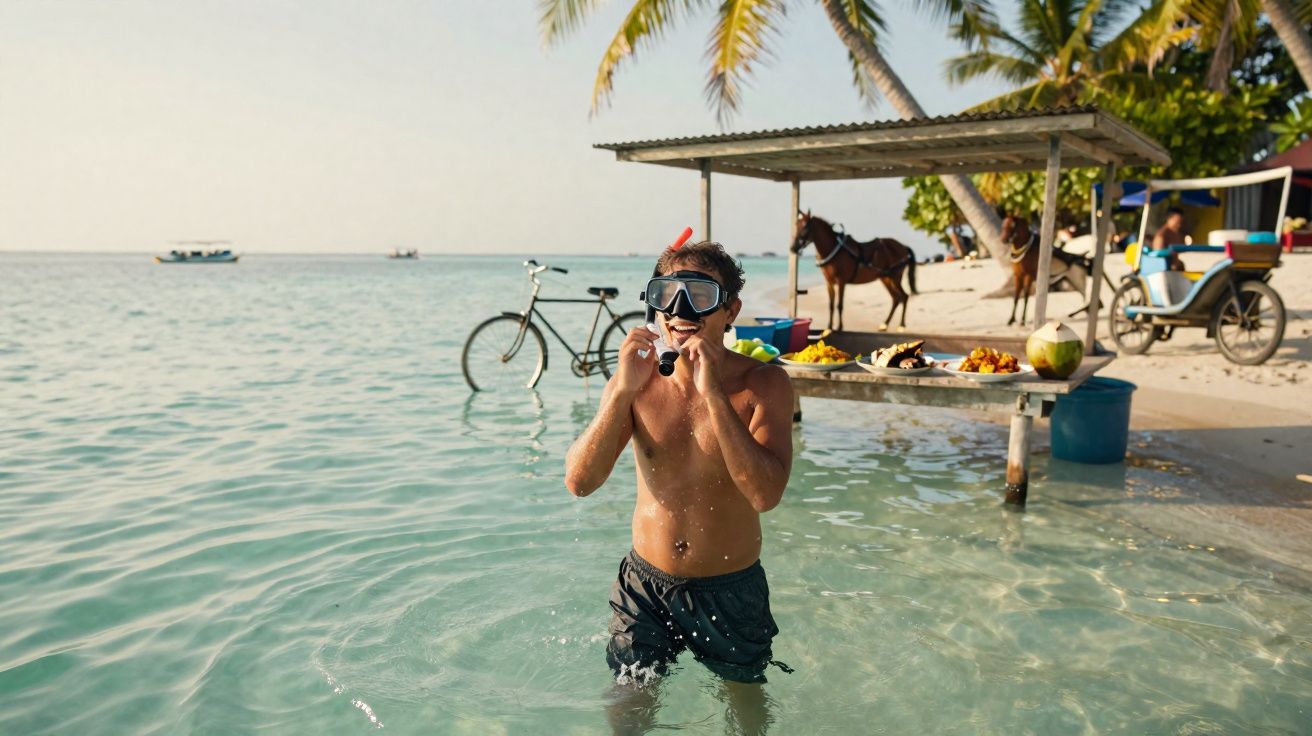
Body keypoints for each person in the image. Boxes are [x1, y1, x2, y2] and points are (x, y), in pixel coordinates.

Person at [564, 241, 794, 733]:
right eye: (668, 293)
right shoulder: (637, 380)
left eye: (700, 294)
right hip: (644, 586)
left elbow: (765, 495)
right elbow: (580, 482)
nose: (681, 310)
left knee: (745, 707)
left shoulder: (764, 384)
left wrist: (713, 393)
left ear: (730, 309)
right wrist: (622, 390)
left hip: (731, 588)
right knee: (627, 708)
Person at [1153, 207, 1188, 271]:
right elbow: (1159, 257)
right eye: (1177, 221)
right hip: (1164, 270)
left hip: (1175, 269)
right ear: (1169, 218)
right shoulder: (1162, 235)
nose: (1179, 225)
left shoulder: (1179, 233)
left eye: (1180, 222)